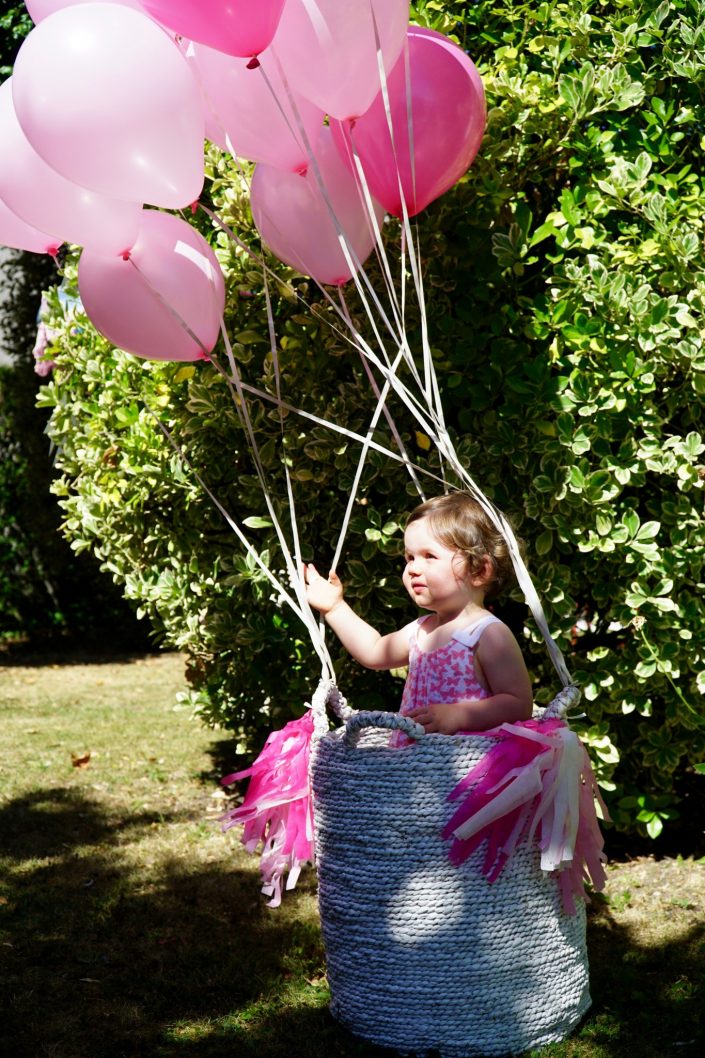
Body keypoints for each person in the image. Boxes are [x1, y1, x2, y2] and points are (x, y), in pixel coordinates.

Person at [304, 492, 533, 734]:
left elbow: (518, 704)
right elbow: (374, 650)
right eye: (409, 557)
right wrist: (335, 608)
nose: (413, 568)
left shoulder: (486, 634)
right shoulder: (421, 630)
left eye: (429, 556)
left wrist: (459, 715)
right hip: (416, 764)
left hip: (470, 764)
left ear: (479, 571)